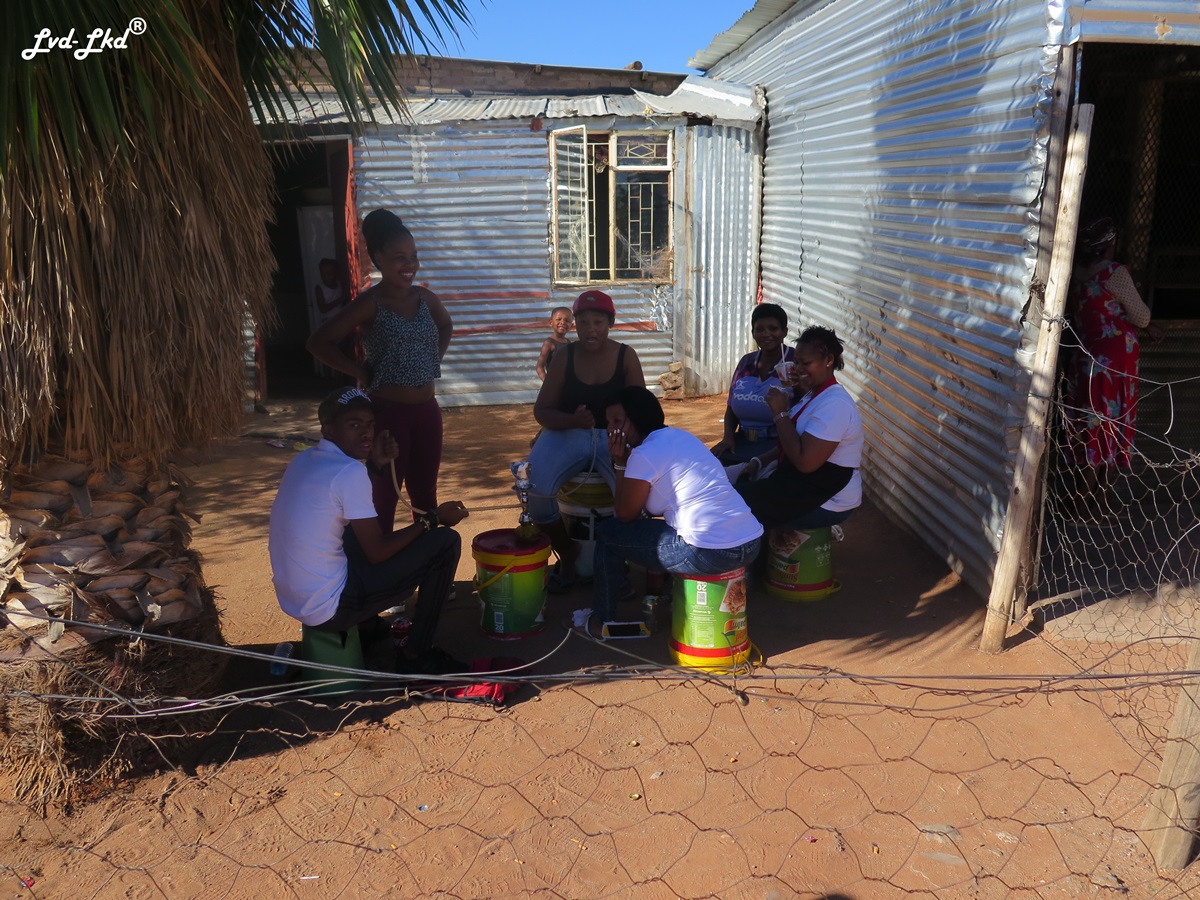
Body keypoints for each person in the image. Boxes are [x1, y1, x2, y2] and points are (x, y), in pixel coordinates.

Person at [268, 387, 470, 674]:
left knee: (350, 532)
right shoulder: (348, 472)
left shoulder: (305, 459)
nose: (366, 434)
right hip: (331, 609)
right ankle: (417, 655)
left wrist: (375, 465)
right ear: (328, 429)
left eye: (370, 424)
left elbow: (348, 513)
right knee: (445, 543)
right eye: (354, 425)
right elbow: (377, 552)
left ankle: (366, 626)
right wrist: (432, 519)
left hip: (298, 600)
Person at [307, 210, 452, 533]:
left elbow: (445, 325)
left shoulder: (425, 298)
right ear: (377, 259)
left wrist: (434, 359)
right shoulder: (370, 303)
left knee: (425, 495)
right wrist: (359, 372)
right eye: (400, 258)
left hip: (428, 412)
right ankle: (379, 561)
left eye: (413, 256)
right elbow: (318, 342)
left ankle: (428, 558)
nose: (410, 265)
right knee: (384, 496)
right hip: (389, 414)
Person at [588, 386, 763, 634]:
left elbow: (625, 514)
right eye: (608, 423)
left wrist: (619, 463)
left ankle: (601, 619)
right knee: (662, 529)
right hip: (750, 543)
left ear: (638, 418)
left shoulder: (644, 453)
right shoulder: (682, 437)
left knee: (608, 533)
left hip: (711, 552)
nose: (610, 430)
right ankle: (668, 596)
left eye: (617, 421)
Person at [528, 290, 645, 592]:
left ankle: (617, 564)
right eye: (583, 322)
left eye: (598, 322)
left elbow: (641, 410)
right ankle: (568, 553)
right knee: (535, 492)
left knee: (634, 502)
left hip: (614, 437)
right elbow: (543, 411)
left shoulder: (626, 355)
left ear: (610, 324)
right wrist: (572, 421)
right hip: (567, 434)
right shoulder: (564, 356)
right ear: (574, 325)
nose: (590, 329)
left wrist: (626, 436)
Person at [735, 325, 863, 530]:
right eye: (796, 362)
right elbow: (795, 440)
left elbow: (805, 463)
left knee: (738, 509)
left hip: (829, 498)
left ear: (829, 360)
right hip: (806, 483)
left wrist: (780, 413)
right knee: (737, 493)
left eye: (806, 363)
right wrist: (760, 461)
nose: (798, 368)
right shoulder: (814, 394)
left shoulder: (835, 404)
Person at [1062, 216, 1154, 492]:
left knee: (1090, 426)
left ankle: (1081, 501)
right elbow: (1142, 317)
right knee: (1111, 426)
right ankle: (1095, 503)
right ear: (1110, 244)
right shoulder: (1114, 273)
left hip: (1085, 359)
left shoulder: (1077, 274)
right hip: (1114, 365)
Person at [710, 303, 796, 464]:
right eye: (760, 329)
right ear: (753, 333)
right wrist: (728, 437)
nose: (766, 334)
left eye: (773, 328)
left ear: (784, 331)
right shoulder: (746, 362)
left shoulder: (795, 361)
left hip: (777, 444)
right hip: (743, 440)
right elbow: (731, 407)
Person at [536, 306, 574, 380]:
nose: (563, 322)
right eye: (559, 319)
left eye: (567, 321)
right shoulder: (549, 343)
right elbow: (539, 367)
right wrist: (547, 382)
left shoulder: (568, 342)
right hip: (555, 382)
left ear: (571, 325)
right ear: (551, 323)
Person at [313, 258, 348, 326]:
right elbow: (323, 308)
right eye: (323, 274)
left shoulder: (339, 284)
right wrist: (340, 300)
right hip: (327, 323)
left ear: (335, 273)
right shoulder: (320, 288)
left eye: (329, 274)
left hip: (340, 320)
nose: (325, 277)